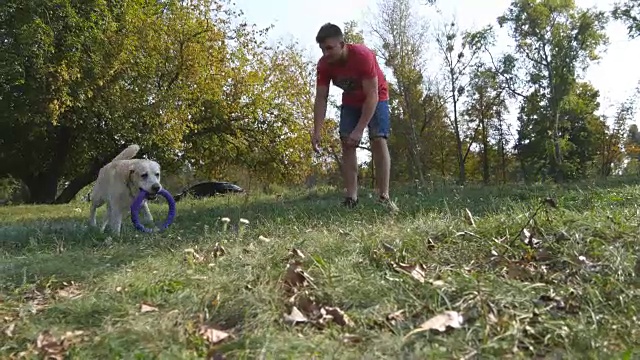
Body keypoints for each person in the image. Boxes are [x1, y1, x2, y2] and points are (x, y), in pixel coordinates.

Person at [311, 22, 398, 211]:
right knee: (347, 142)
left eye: (329, 48)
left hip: (376, 97)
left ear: (342, 44)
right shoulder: (324, 65)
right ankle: (351, 197)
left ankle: (384, 196)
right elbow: (321, 98)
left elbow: (372, 95)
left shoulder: (362, 56)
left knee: (378, 138)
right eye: (322, 49)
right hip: (350, 99)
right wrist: (316, 131)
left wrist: (359, 130)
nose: (326, 54)